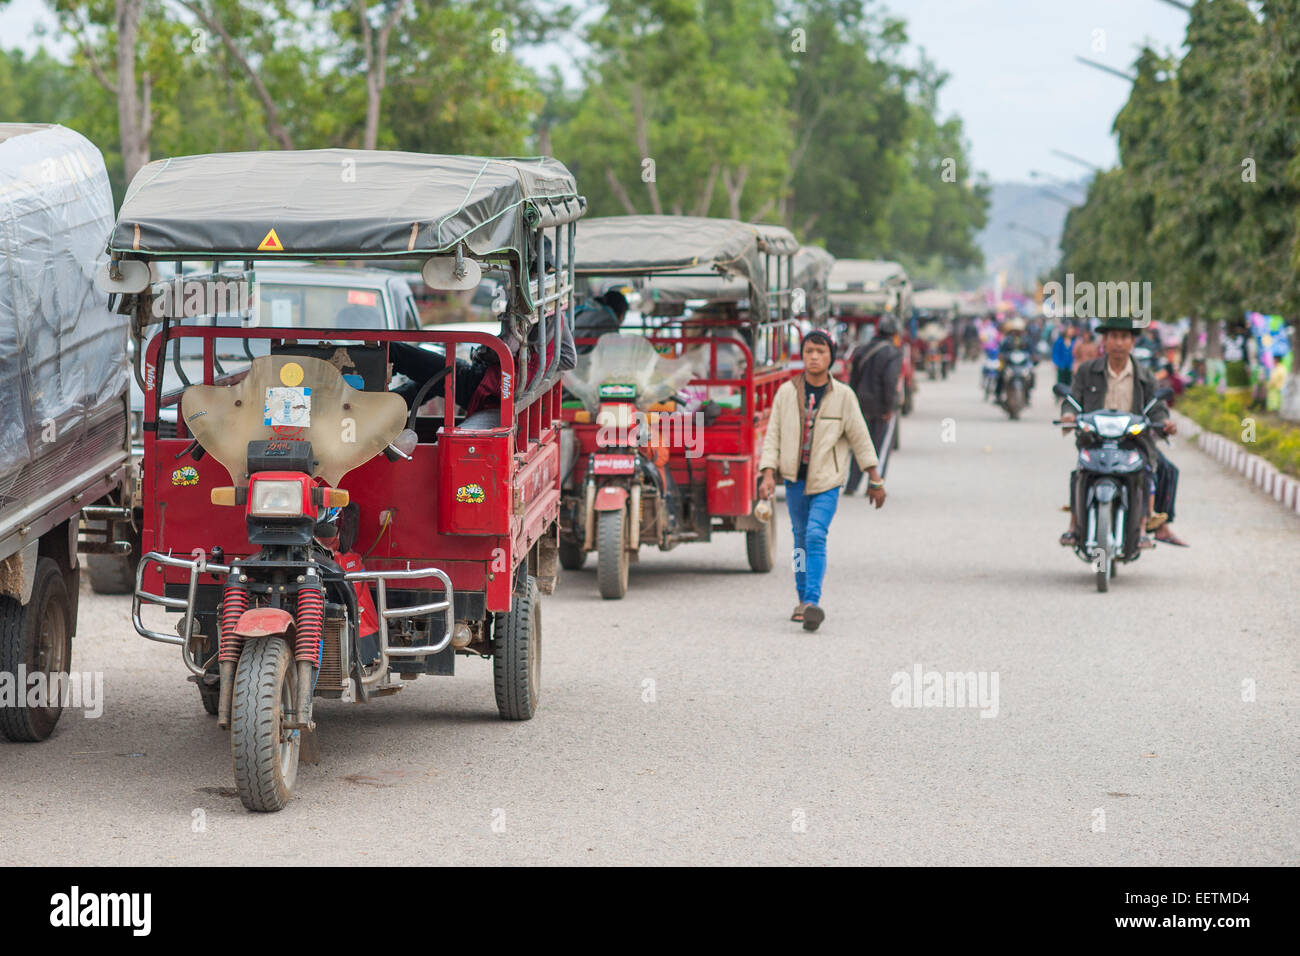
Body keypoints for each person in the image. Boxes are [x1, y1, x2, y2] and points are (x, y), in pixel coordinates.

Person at [759, 331, 885, 632]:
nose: (813, 356)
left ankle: (813, 601)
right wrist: (767, 472)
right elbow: (773, 433)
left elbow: (860, 437)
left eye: (820, 351)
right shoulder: (786, 393)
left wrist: (875, 478)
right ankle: (802, 599)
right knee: (800, 540)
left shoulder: (843, 396)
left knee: (816, 534)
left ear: (831, 357)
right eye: (808, 351)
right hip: (793, 480)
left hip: (827, 480)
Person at [1059, 317, 1187, 548]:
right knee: (1080, 471)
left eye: (1124, 337)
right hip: (1095, 439)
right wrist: (1068, 416)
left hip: (1132, 441)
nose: (1119, 343)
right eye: (1114, 337)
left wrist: (1165, 423)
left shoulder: (1145, 375)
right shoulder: (1087, 371)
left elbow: (1156, 407)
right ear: (1104, 341)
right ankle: (1074, 525)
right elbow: (1072, 401)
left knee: (1147, 472)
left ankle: (1142, 528)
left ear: (1132, 342)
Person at [846, 316, 902, 488]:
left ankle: (852, 485)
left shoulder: (862, 350)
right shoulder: (892, 353)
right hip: (880, 406)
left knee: (860, 445)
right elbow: (890, 381)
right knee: (880, 446)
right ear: (894, 334)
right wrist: (889, 407)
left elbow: (853, 379)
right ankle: (875, 484)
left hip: (861, 404)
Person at [1052, 321, 1079, 386]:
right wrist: (1056, 363)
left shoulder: (1075, 342)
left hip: (1070, 367)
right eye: (1069, 329)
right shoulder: (1059, 341)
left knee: (1070, 384)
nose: (1071, 331)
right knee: (1061, 384)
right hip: (1061, 366)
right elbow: (1055, 353)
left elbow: (1076, 355)